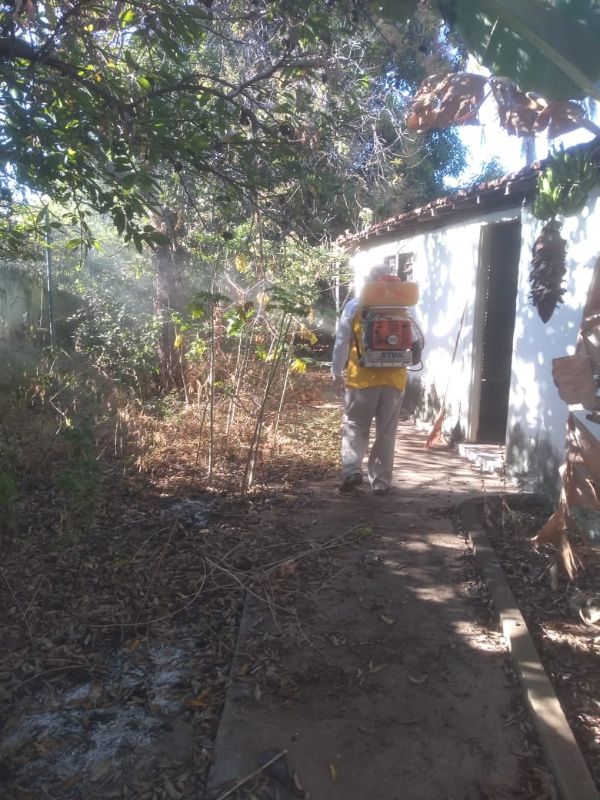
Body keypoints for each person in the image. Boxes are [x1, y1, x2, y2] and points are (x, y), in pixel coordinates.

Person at [331, 265, 413, 495]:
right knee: (386, 432)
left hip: (362, 379)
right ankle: (380, 482)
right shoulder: (405, 308)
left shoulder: (355, 306)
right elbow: (416, 342)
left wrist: (336, 372)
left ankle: (351, 471)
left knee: (355, 426)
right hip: (395, 380)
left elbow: (342, 343)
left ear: (370, 282)